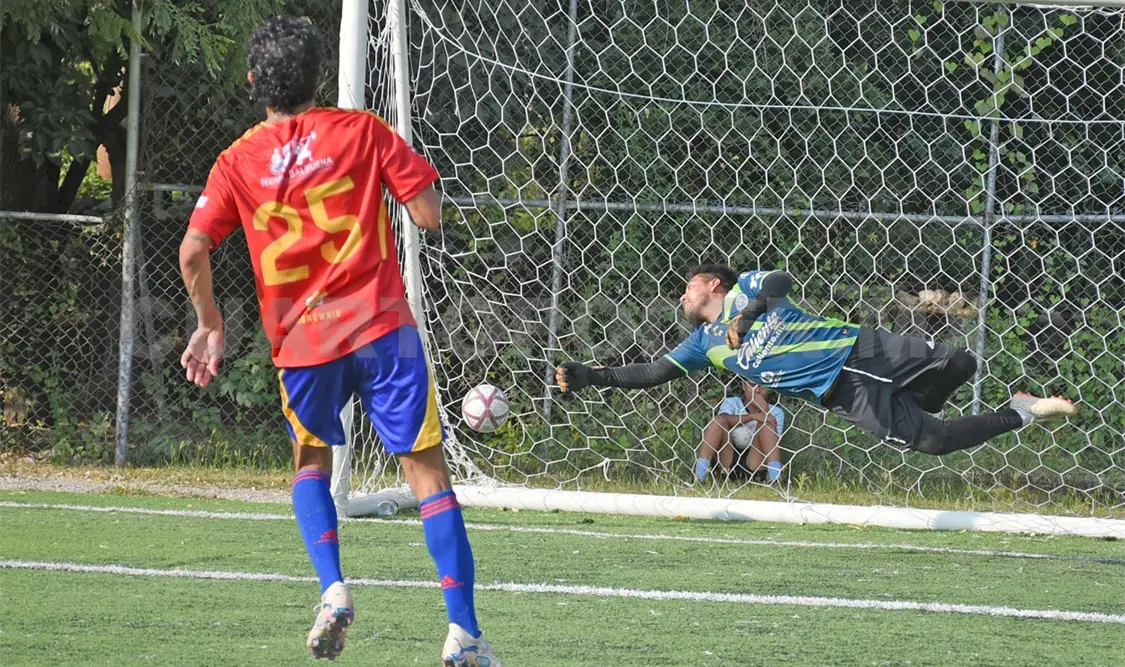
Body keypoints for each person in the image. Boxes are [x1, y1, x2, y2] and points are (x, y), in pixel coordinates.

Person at [178, 17, 501, 666]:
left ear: (253, 82)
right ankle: (463, 634)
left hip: (305, 344)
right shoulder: (362, 131)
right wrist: (409, 193)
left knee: (309, 459)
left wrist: (210, 323)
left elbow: (192, 250)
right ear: (318, 78)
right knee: (429, 476)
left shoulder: (238, 160)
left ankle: (332, 589)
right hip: (384, 331)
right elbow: (428, 215)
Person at [556, 264, 1076, 460]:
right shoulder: (703, 343)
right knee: (934, 442)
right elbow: (654, 372)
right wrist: (593, 377)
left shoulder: (746, 290)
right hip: (842, 394)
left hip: (860, 349)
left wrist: (751, 313)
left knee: (961, 362)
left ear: (713, 284)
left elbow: (780, 281)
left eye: (690, 284)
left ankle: (919, 395)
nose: (683, 293)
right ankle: (1022, 411)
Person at [695, 380, 786, 483]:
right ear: (743, 385)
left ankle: (775, 480)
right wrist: (752, 417)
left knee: (768, 423)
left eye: (762, 386)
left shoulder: (777, 412)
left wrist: (765, 411)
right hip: (727, 460)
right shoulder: (732, 402)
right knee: (717, 421)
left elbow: (773, 444)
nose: (757, 390)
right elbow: (724, 419)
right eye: (752, 385)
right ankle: (699, 478)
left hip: (756, 462)